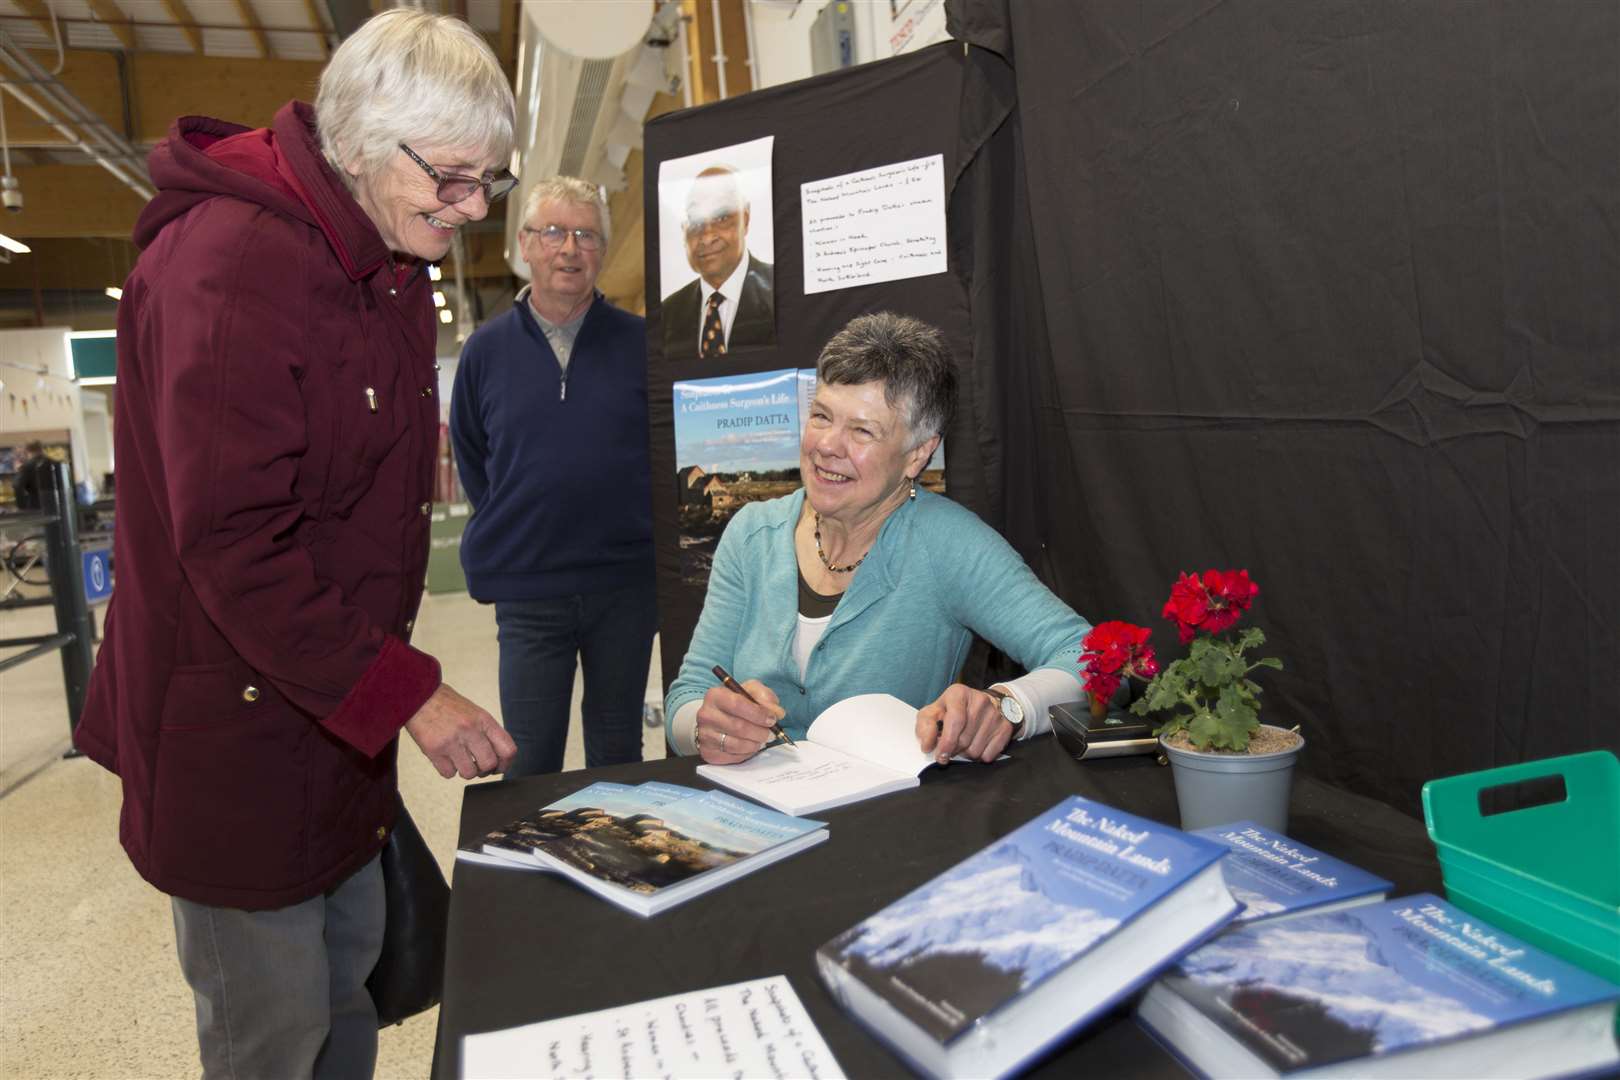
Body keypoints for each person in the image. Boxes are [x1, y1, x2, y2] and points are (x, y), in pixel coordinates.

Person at [73, 12, 518, 1079]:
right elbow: (234, 548)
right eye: (453, 179)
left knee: (351, 988)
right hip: (237, 739)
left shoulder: (387, 258)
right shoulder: (229, 269)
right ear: (363, 142)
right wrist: (411, 693)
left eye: (490, 183)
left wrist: (377, 697)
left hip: (332, 725)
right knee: (274, 1032)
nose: (471, 210)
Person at [665, 312, 1091, 764]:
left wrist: (1009, 706)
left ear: (918, 453)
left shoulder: (947, 544)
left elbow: (1096, 658)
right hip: (759, 815)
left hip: (888, 818)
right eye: (821, 416)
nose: (828, 445)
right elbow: (689, 694)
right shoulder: (752, 532)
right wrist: (705, 724)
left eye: (862, 431)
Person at [450, 177, 657, 778]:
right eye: (554, 232)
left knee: (618, 750)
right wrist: (523, 514)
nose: (570, 248)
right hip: (528, 585)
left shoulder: (640, 344)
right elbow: (473, 454)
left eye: (586, 234)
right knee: (529, 756)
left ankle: (621, 868)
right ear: (525, 244)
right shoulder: (485, 351)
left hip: (624, 583)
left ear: (601, 249)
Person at [661, 165, 775, 359]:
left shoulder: (780, 291)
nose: (707, 237)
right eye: (696, 222)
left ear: (745, 220)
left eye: (722, 217)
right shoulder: (666, 315)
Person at [11, 440, 47, 510]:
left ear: (28, 451)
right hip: (55, 506)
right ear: (42, 449)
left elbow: (17, 486)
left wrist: (22, 507)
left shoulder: (27, 466)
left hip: (36, 507)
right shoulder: (55, 464)